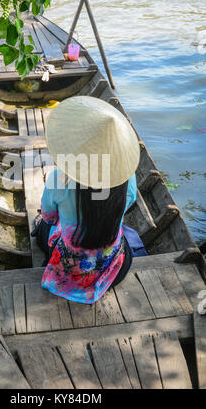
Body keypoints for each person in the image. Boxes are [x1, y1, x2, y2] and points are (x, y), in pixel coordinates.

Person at [32, 96, 146, 304]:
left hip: (69, 269)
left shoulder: (60, 179)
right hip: (113, 268)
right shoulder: (127, 178)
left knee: (41, 228)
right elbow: (126, 206)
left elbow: (48, 216)